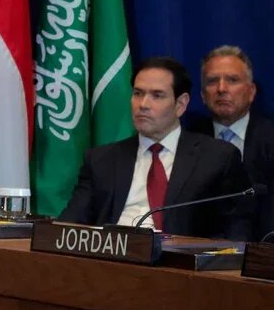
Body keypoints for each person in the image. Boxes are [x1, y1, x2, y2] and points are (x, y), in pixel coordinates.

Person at [60, 56, 251, 239]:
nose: (143, 104)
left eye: (157, 95)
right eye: (138, 93)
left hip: (176, 265)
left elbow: (235, 233)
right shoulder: (101, 160)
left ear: (180, 104)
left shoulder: (217, 158)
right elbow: (68, 227)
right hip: (110, 260)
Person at [192, 45, 274, 238]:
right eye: (212, 81)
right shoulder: (187, 139)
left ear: (252, 91)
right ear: (203, 95)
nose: (222, 89)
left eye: (232, 80)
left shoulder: (270, 138)